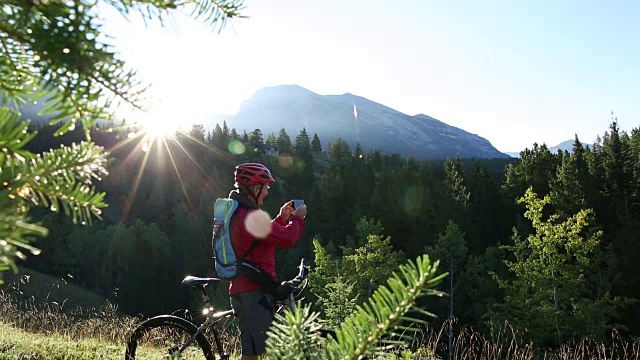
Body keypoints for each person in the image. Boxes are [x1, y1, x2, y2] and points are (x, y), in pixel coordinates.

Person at [227, 162, 307, 360]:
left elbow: (262, 236)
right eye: (266, 187)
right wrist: (297, 219)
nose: (267, 192)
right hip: (251, 291)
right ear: (255, 188)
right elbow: (287, 238)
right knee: (251, 355)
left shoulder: (241, 212)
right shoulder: (250, 215)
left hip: (247, 288)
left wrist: (281, 218)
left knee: (254, 352)